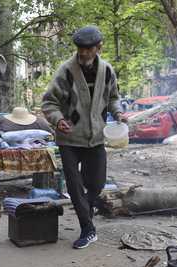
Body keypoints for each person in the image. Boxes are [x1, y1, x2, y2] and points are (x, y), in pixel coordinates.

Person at [42, 25, 126, 249]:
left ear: (98, 47)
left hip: (96, 137)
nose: (83, 53)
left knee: (96, 184)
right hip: (69, 138)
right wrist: (58, 119)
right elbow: (49, 102)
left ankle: (85, 212)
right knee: (75, 185)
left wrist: (118, 112)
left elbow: (113, 98)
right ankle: (88, 229)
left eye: (88, 49)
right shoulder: (66, 71)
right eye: (80, 48)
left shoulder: (107, 70)